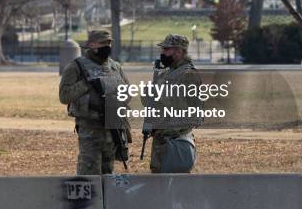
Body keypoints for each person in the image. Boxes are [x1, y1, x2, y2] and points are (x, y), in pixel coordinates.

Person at [59, 29, 132, 175]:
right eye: (103, 43)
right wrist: (87, 84)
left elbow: (128, 93)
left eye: (109, 43)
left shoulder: (115, 67)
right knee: (89, 175)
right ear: (92, 44)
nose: (108, 46)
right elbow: (64, 96)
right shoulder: (77, 66)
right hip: (90, 130)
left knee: (108, 175)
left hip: (112, 130)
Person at [144, 34, 201, 173]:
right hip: (162, 138)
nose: (163, 53)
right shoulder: (167, 73)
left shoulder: (188, 74)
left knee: (175, 181)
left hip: (175, 139)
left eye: (166, 49)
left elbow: (187, 108)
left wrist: (158, 94)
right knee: (158, 179)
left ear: (179, 51)